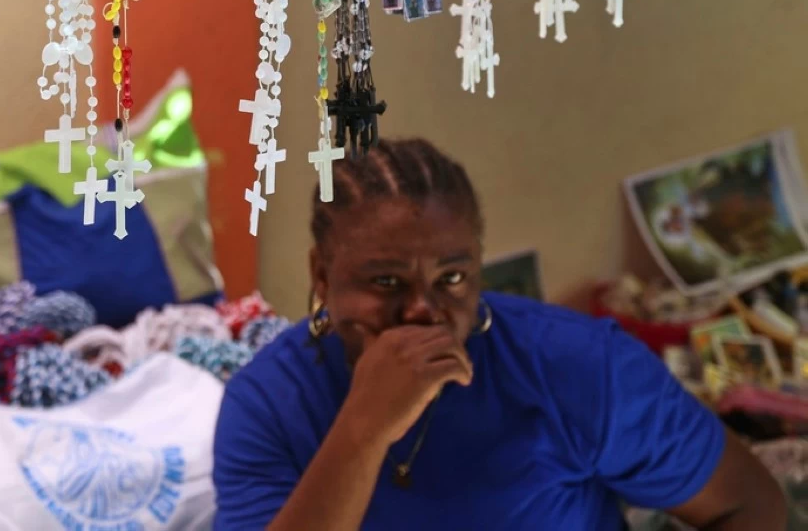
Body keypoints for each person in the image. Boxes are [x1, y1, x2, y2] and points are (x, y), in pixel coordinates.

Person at [213, 139, 786, 530]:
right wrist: (363, 429)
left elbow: (749, 503)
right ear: (321, 276)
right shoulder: (268, 406)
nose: (421, 310)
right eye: (384, 280)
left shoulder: (579, 367)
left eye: (453, 278)